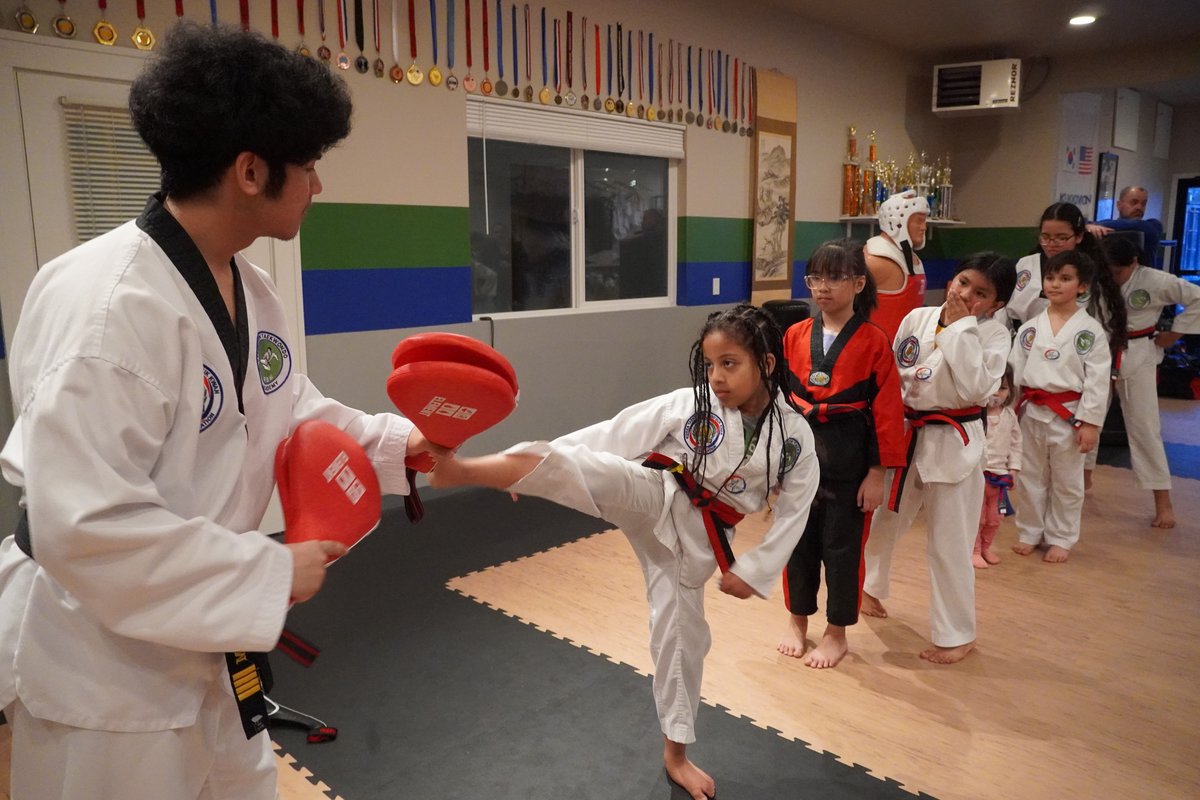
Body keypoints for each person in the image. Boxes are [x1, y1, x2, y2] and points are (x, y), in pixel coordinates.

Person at [0, 23, 448, 799]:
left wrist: (398, 442)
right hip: (108, 676)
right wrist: (270, 569)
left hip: (211, 642)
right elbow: (84, 525)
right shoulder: (109, 309)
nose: (317, 185)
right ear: (250, 170)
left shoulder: (252, 287)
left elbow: (289, 408)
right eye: (308, 166)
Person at [429, 304, 820, 800]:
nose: (716, 377)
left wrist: (757, 569)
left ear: (766, 363)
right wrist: (541, 472)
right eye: (710, 364)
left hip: (696, 545)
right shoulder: (691, 404)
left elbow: (797, 510)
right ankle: (462, 469)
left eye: (730, 363)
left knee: (681, 643)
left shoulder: (794, 436)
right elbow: (617, 433)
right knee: (584, 466)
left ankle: (675, 756)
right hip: (657, 494)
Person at [861, 253, 1016, 664]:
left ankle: (957, 634)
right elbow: (894, 373)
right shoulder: (917, 318)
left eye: (981, 293)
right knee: (884, 519)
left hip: (955, 441)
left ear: (997, 304)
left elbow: (975, 387)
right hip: (905, 433)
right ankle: (869, 586)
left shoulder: (995, 336)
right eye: (963, 282)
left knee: (949, 542)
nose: (965, 294)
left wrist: (960, 328)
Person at [776, 240, 905, 669]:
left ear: (858, 283)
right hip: (799, 460)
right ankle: (797, 622)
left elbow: (887, 411)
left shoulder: (873, 341)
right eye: (815, 278)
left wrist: (877, 472)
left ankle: (837, 633)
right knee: (797, 546)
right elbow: (780, 404)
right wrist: (772, 468)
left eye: (834, 277)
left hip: (849, 461)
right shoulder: (794, 335)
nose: (823, 287)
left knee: (843, 552)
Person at [1084, 237, 1200, 528]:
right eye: (1106, 270)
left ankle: (1163, 501)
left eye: (1118, 272)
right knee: (1087, 418)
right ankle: (1082, 483)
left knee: (1145, 426)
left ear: (1134, 263)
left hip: (1139, 353)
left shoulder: (1155, 280)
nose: (1111, 276)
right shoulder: (1094, 276)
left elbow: (1197, 297)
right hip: (1099, 350)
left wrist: (1174, 334)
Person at [1009, 251, 1112, 563]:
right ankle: (1029, 531)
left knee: (1067, 481)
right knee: (1029, 477)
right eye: (1051, 277)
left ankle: (1062, 537)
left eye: (1065, 278)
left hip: (1070, 415)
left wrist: (1091, 423)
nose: (1055, 284)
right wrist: (1006, 413)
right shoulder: (1030, 328)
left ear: (1083, 286)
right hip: (1031, 410)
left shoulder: (1090, 331)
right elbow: (1014, 373)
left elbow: (1098, 380)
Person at [864, 189, 929, 342]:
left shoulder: (910, 258)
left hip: (904, 351)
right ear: (897, 221)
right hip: (876, 354)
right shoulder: (874, 259)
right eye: (919, 220)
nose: (924, 227)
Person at [974, 365, 1021, 569]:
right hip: (978, 475)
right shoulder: (976, 415)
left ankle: (986, 547)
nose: (997, 393)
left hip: (999, 477)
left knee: (994, 518)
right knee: (978, 517)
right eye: (993, 387)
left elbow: (1016, 444)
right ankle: (974, 550)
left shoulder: (1010, 416)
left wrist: (1014, 470)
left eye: (1002, 388)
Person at [1094, 186, 1165, 265]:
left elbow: (1135, 224)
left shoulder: (1153, 226)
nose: (1139, 207)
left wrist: (1090, 225)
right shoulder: (1105, 227)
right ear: (1119, 205)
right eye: (1134, 202)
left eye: (1143, 204)